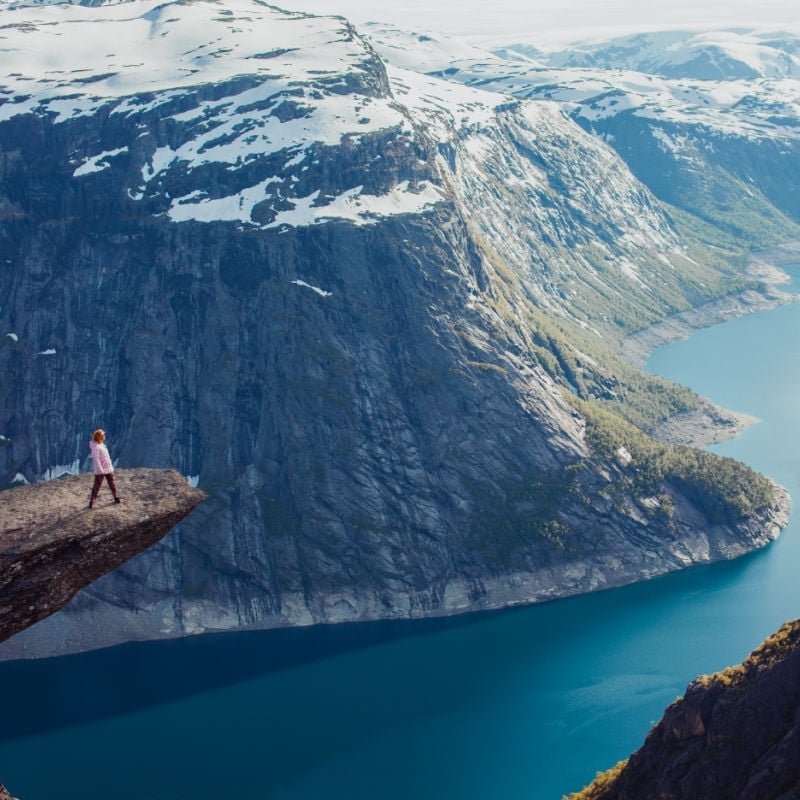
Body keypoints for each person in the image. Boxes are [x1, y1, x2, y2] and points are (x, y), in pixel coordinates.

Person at [88, 429, 120, 509]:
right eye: (103, 435)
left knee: (112, 483)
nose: (104, 437)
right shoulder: (96, 447)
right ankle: (92, 501)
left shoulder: (101, 445)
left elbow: (105, 456)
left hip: (108, 468)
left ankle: (116, 497)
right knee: (97, 486)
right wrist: (100, 469)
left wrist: (109, 462)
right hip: (101, 470)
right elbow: (96, 459)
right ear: (99, 437)